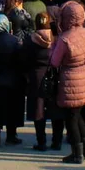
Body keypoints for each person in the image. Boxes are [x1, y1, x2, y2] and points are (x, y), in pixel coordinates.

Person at [51, 1, 85, 164]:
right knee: (78, 115)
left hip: (71, 78)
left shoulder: (65, 39)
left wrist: (53, 46)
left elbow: (55, 62)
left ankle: (77, 153)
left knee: (71, 118)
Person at [25, 12, 61, 151]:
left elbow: (25, 59)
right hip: (53, 75)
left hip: (36, 76)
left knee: (38, 110)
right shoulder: (56, 39)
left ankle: (41, 142)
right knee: (55, 109)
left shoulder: (30, 39)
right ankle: (56, 141)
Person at [0, 14, 25, 146]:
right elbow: (21, 61)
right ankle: (11, 135)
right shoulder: (14, 41)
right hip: (13, 80)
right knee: (12, 109)